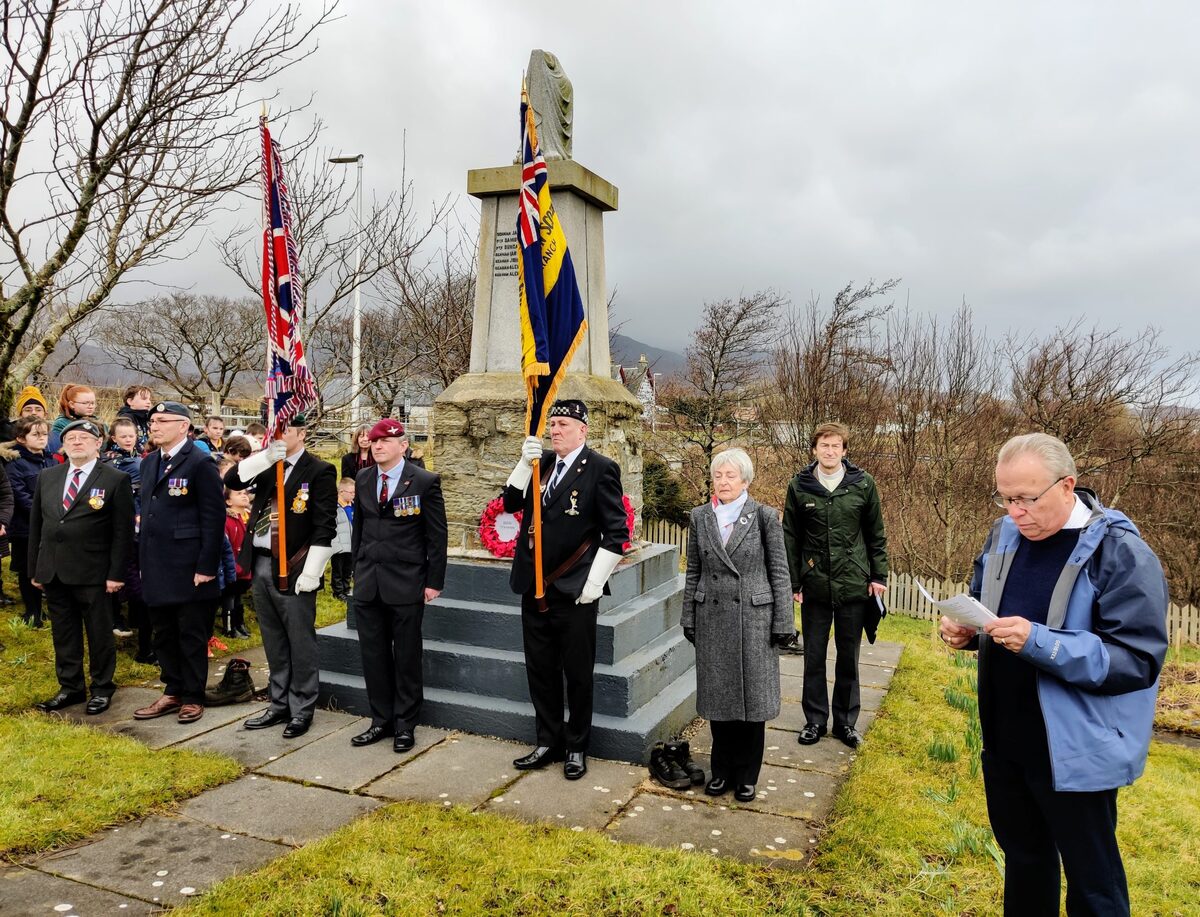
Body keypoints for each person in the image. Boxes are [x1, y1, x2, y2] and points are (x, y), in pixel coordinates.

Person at [940, 433, 1167, 917]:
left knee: (1093, 885)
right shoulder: (1002, 535)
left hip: (1075, 750)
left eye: (1026, 498)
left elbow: (1138, 660)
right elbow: (991, 608)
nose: (1015, 511)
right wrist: (970, 632)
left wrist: (1041, 642)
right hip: (1006, 740)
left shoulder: (1122, 552)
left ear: (1068, 486)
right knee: (1025, 863)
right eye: (1005, 497)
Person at [502, 399, 628, 781]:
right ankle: (548, 741)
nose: (555, 430)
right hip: (534, 587)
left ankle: (576, 747)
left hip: (574, 589)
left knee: (576, 673)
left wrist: (594, 582)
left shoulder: (600, 469)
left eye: (562, 424)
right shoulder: (539, 468)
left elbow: (617, 533)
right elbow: (508, 505)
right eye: (552, 424)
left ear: (582, 430)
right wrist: (523, 466)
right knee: (540, 669)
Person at [680, 448, 796, 802]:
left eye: (731, 476)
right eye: (718, 476)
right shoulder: (700, 518)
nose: (724, 482)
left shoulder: (763, 516)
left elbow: (779, 571)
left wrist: (783, 621)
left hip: (754, 621)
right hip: (712, 618)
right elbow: (694, 570)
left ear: (745, 480)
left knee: (751, 704)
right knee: (719, 701)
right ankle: (721, 771)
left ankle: (747, 775)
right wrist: (688, 616)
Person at [224, 416, 337, 738]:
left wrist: (313, 571)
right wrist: (264, 456)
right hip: (260, 562)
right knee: (272, 638)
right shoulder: (267, 465)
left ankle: (302, 707)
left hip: (295, 565)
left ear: (301, 433)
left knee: (300, 640)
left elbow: (324, 525)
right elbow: (233, 479)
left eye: (284, 430)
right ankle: (278, 703)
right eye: (273, 430)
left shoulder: (319, 471)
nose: (277, 436)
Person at [782, 421, 888, 750]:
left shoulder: (862, 484)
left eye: (836, 445)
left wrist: (878, 576)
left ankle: (845, 723)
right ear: (814, 449)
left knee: (848, 657)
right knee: (813, 656)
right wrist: (794, 581)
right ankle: (814, 720)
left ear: (844, 450)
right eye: (824, 445)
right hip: (814, 584)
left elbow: (876, 534)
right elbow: (790, 536)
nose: (830, 451)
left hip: (853, 583)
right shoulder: (799, 486)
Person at [348, 419, 447, 752]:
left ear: (403, 445)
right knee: (373, 655)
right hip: (368, 582)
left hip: (406, 582)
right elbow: (359, 529)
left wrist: (434, 582)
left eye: (385, 441)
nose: (377, 446)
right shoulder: (363, 479)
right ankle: (380, 720)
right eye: (374, 441)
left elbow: (436, 536)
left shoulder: (423, 481)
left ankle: (405, 724)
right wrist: (355, 571)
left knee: (406, 657)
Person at [28, 419, 134, 715]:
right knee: (63, 633)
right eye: (70, 438)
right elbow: (38, 525)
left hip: (94, 572)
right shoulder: (47, 476)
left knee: (99, 633)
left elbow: (122, 532)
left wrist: (116, 574)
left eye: (83, 438)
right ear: (63, 444)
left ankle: (102, 688)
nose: (76, 442)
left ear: (98, 443)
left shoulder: (114, 479)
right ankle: (71, 688)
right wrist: (35, 569)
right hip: (54, 570)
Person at [134, 401, 226, 725]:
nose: (153, 426)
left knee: (191, 633)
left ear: (183, 426)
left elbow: (214, 520)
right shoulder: (148, 464)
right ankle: (172, 690)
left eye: (162, 420)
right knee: (164, 633)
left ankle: (192, 696)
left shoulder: (200, 463)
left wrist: (206, 566)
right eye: (151, 420)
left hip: (189, 567)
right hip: (156, 564)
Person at [1, 417, 58, 626]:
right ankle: (32, 611)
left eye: (44, 434)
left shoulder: (51, 461)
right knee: (27, 569)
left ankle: (43, 609)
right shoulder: (15, 465)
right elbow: (19, 495)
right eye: (36, 434)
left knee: (44, 567)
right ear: (21, 439)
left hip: (50, 525)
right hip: (26, 528)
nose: (42, 438)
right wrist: (45, 513)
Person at [220, 485, 253, 638]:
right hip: (233, 566)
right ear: (228, 501)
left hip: (245, 565)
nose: (244, 495)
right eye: (238, 493)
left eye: (245, 493)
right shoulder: (227, 520)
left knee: (239, 597)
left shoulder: (248, 516)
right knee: (230, 597)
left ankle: (239, 624)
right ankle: (230, 628)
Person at [331, 477, 355, 600]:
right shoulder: (334, 508)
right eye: (351, 493)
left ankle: (346, 588)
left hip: (351, 544)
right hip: (339, 545)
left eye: (354, 492)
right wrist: (335, 545)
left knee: (348, 569)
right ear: (341, 492)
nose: (353, 495)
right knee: (338, 570)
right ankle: (338, 591)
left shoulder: (353, 506)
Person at [115, 384, 153, 455]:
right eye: (144, 399)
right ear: (130, 401)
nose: (148, 402)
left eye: (149, 399)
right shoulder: (125, 419)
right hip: (128, 456)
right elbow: (128, 442)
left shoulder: (147, 418)